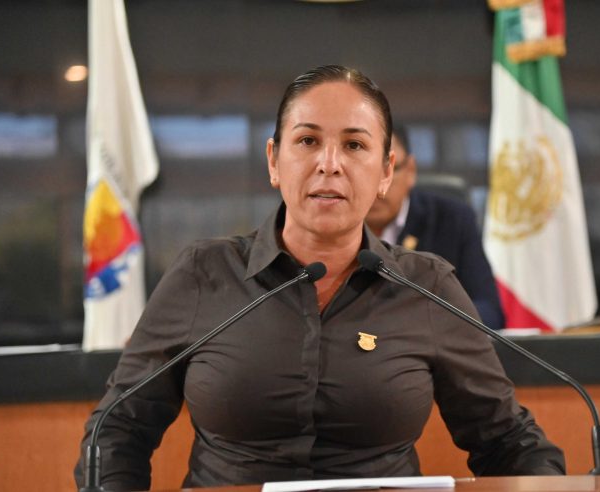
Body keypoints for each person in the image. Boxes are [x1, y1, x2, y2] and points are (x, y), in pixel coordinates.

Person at [75, 65, 564, 491]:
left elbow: (507, 441)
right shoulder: (203, 274)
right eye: (308, 141)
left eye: (354, 145)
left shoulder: (427, 286)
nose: (329, 164)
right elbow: (117, 431)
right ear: (274, 160)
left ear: (386, 171)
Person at [365, 127, 505, 329]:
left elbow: (489, 311)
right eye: (367, 172)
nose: (379, 186)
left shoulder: (452, 220)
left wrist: (423, 320)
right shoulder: (330, 226)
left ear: (411, 170)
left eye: (388, 170)